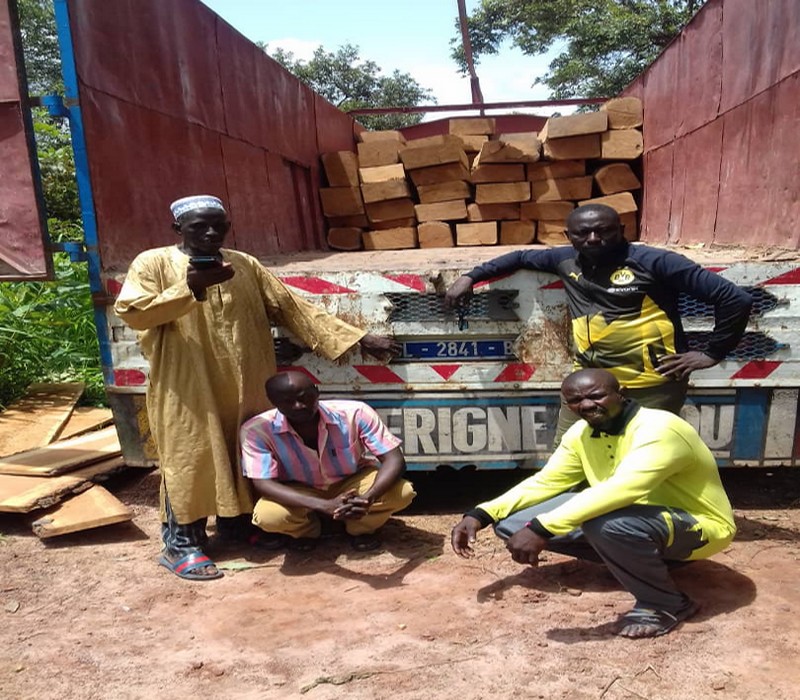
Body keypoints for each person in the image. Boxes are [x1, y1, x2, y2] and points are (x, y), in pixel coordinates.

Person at [114, 195, 400, 581]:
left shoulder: (244, 264)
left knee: (245, 452)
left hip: (248, 381)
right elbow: (133, 312)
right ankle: (182, 543)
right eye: (200, 227)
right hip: (188, 385)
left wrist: (358, 338)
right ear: (177, 229)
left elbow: (291, 307)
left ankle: (236, 524)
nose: (211, 233)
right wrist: (188, 288)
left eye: (219, 225)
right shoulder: (154, 263)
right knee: (192, 457)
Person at [451, 368, 736, 638]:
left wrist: (542, 528)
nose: (586, 405)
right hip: (637, 519)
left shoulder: (659, 429)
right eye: (575, 400)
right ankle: (635, 561)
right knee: (514, 523)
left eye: (596, 396)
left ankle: (665, 604)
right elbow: (548, 481)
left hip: (699, 526)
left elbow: (624, 488)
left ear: (620, 393)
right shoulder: (581, 434)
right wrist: (482, 513)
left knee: (605, 524)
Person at [445, 204, 753, 441]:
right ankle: (568, 521)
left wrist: (712, 353)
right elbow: (519, 257)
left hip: (651, 386)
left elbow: (735, 299)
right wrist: (470, 276)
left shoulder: (654, 262)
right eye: (583, 233)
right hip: (587, 386)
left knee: (641, 458)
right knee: (568, 454)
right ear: (569, 237)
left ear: (621, 229)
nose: (593, 238)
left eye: (603, 231)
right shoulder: (564, 260)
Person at [240, 371, 416, 551]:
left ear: (317, 392)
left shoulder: (355, 413)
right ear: (273, 402)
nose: (299, 406)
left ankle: (361, 529)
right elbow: (263, 484)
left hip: (352, 482)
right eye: (287, 402)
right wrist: (323, 505)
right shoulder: (256, 430)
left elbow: (394, 460)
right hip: (298, 488)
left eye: (305, 397)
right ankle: (306, 531)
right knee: (267, 516)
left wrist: (367, 498)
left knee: (402, 492)